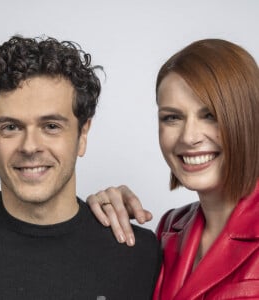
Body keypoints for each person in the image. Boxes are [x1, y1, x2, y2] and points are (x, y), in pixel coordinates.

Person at [0, 35, 161, 299]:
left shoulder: (139, 254)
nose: (30, 146)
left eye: (51, 126)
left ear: (82, 135)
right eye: (11, 127)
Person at [87, 38, 259, 299]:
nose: (189, 137)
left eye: (209, 115)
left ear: (247, 117)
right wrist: (99, 220)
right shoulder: (170, 228)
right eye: (172, 118)